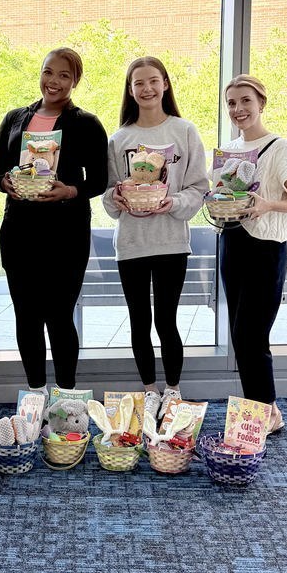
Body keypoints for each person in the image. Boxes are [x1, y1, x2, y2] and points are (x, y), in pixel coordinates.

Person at [0, 48, 108, 397]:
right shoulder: (15, 118)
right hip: (19, 232)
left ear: (75, 81)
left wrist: (70, 190)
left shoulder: (86, 123)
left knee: (59, 316)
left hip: (66, 235)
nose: (53, 81)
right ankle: (36, 394)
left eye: (64, 76)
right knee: (26, 316)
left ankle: (67, 396)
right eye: (48, 72)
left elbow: (100, 180)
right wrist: (5, 183)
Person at [103, 55, 208, 423]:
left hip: (171, 242)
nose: (146, 89)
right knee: (138, 320)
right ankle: (149, 391)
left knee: (167, 319)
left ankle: (173, 391)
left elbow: (199, 186)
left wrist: (174, 202)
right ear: (130, 91)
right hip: (131, 244)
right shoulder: (120, 138)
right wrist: (115, 199)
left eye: (153, 81)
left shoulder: (184, 131)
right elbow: (108, 195)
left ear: (165, 83)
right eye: (138, 84)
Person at [219, 74, 287, 434]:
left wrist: (267, 205)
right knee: (240, 335)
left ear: (261, 104)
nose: (238, 109)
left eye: (245, 101)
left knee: (252, 334)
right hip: (232, 241)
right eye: (232, 103)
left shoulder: (281, 147)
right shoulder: (229, 150)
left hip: (265, 248)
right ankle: (262, 409)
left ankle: (266, 410)